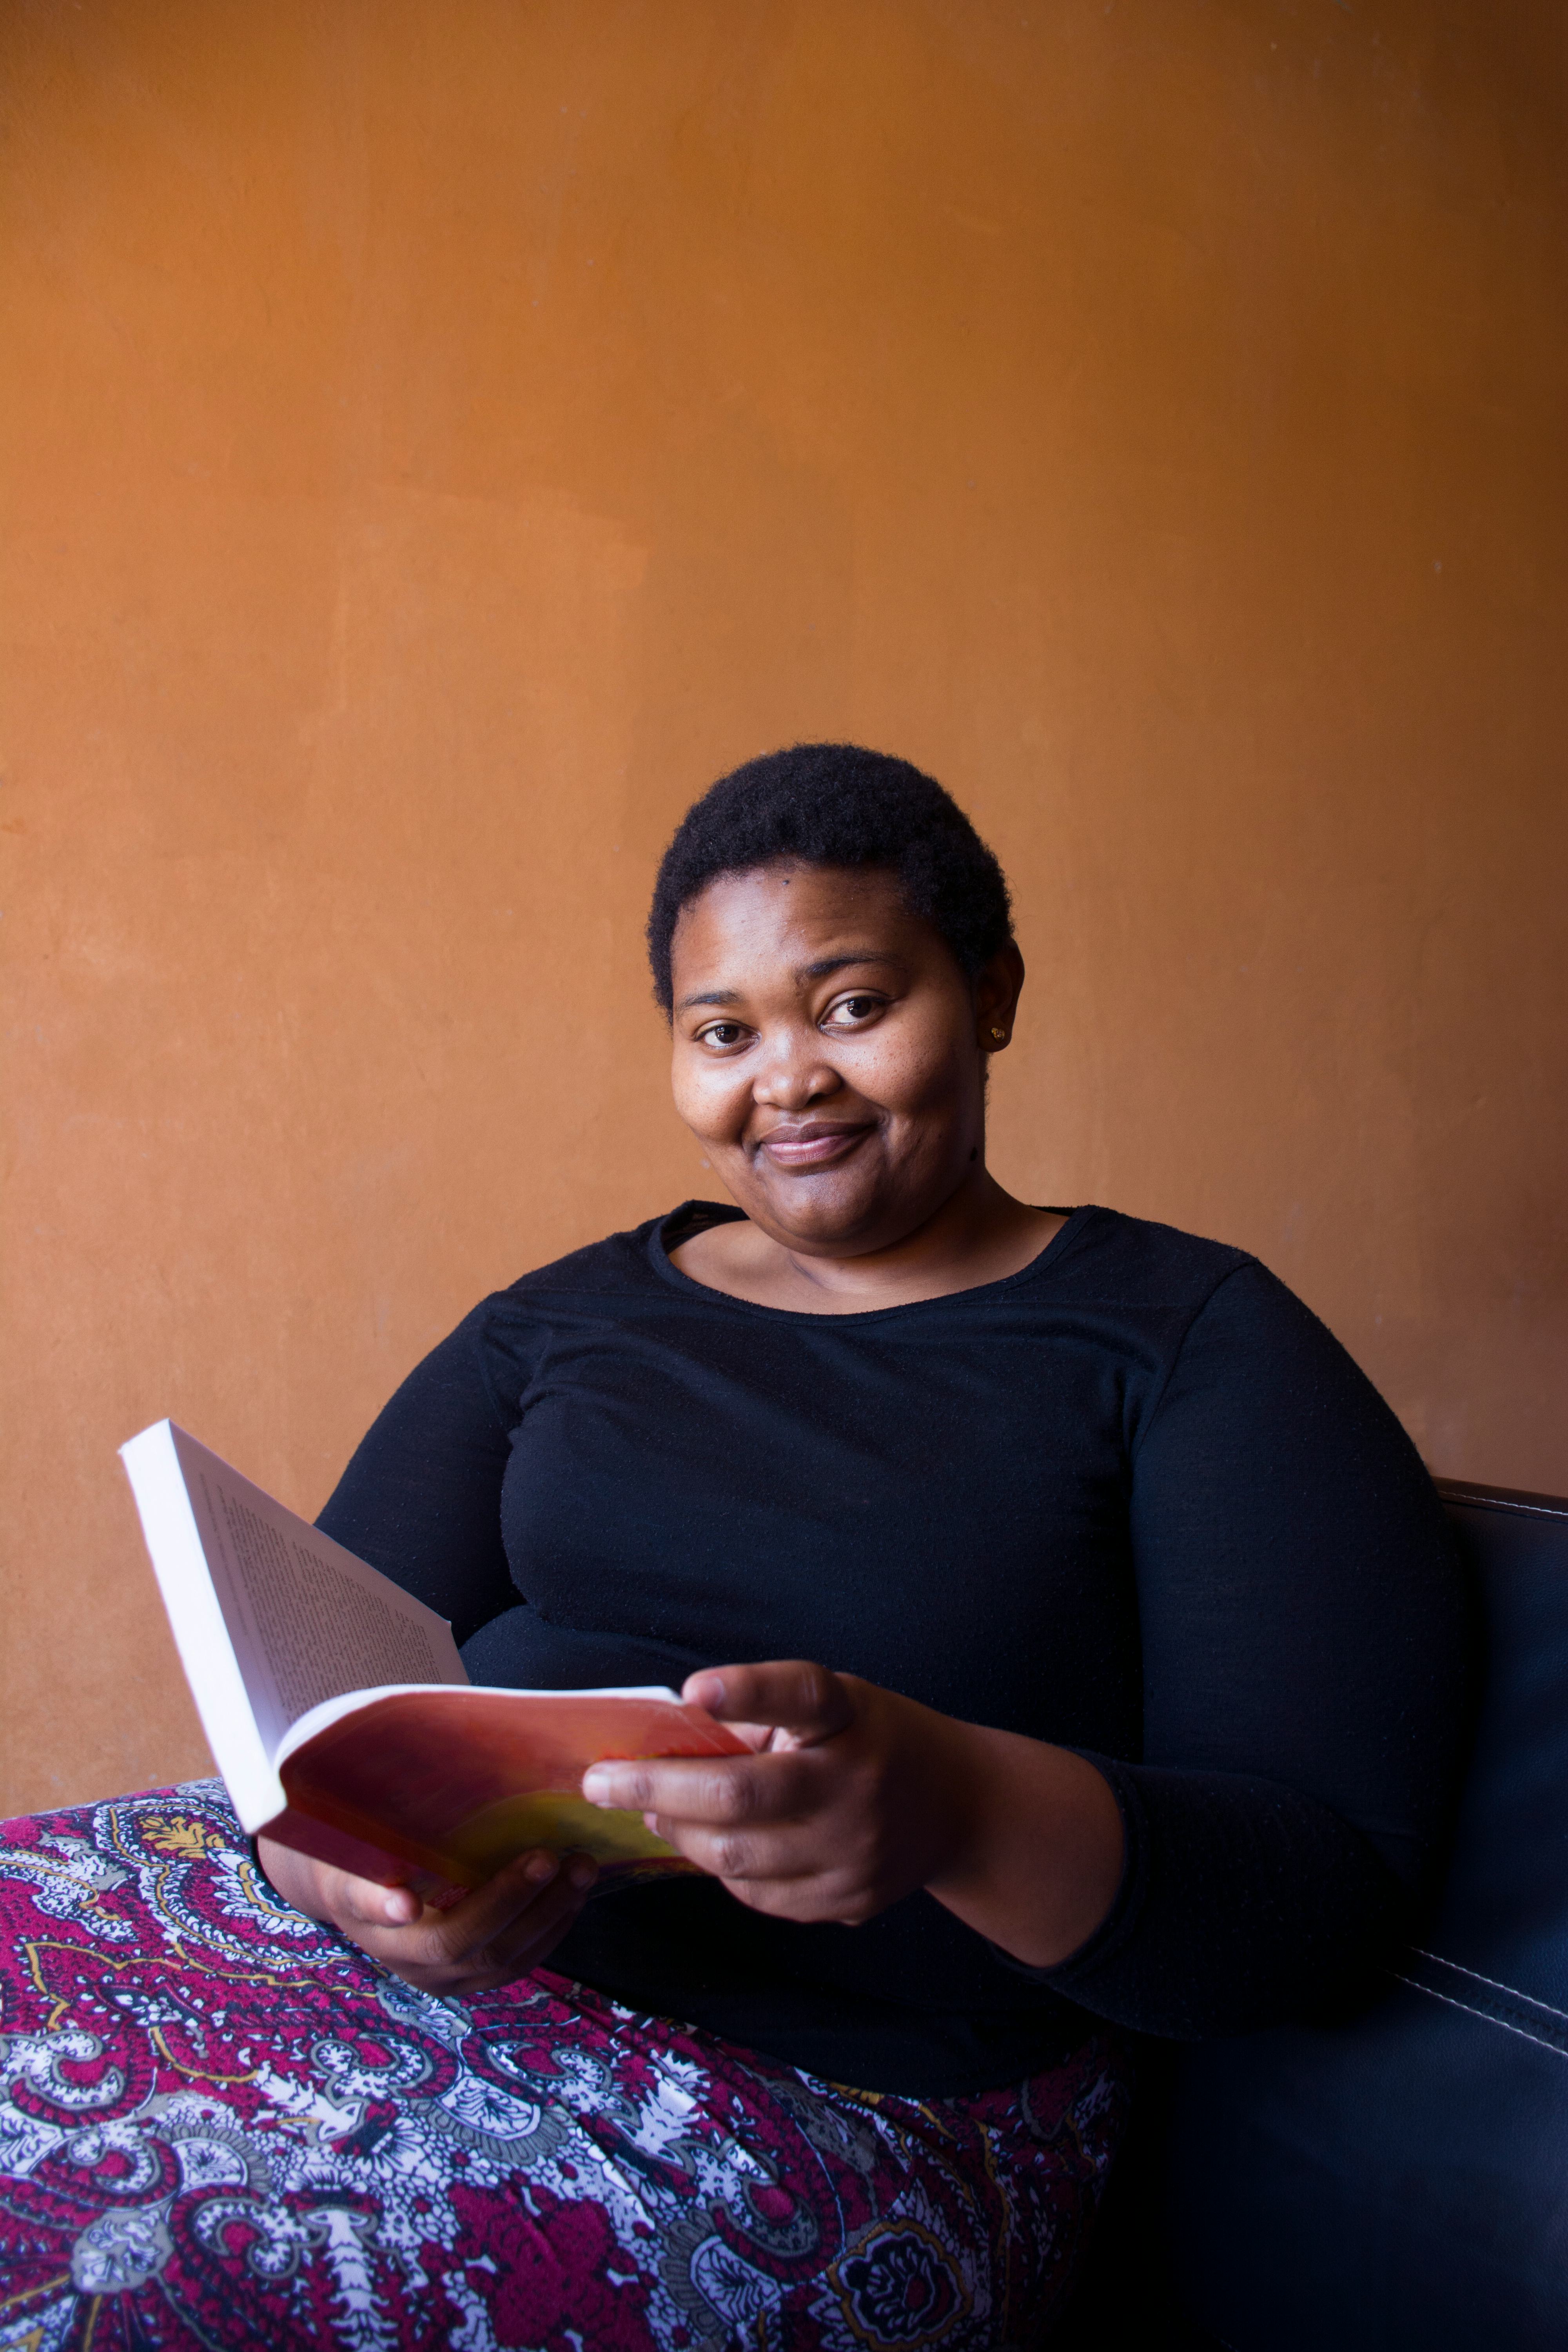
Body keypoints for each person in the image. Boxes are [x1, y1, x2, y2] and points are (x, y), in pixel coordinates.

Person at [0, 744, 1466, 2350]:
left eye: (853, 1006)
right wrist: (353, 1881)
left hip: (849, 2104)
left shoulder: (1186, 1340)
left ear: (989, 993)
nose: (788, 1081)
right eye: (724, 1033)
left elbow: (1327, 1891)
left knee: (100, 2284)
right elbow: (308, 1709)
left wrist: (951, 1804)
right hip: (434, 1984)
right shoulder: (564, 1319)